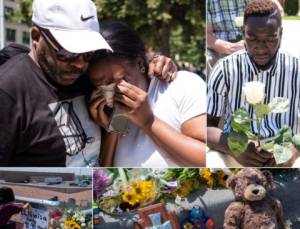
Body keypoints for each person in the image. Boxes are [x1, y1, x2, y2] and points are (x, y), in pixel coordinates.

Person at [0, 0, 175, 167]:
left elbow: (119, 109)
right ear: (36, 36)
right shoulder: (8, 92)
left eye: (88, 53)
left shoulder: (86, 76)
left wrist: (155, 64)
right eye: (67, 54)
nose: (80, 64)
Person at [88, 22, 206, 167]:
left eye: (119, 79)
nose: (111, 89)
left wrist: (148, 122)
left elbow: (206, 158)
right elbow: (106, 173)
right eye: (101, 84)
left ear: (139, 64)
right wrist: (114, 127)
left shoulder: (181, 84)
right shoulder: (115, 116)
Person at [207, 0, 300, 167]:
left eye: (271, 39)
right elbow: (206, 126)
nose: (261, 48)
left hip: (284, 155)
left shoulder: (296, 70)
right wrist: (233, 147)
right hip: (236, 154)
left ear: (281, 34)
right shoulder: (225, 69)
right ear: (243, 33)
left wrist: (293, 151)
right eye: (252, 38)